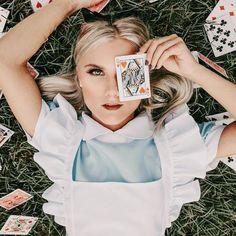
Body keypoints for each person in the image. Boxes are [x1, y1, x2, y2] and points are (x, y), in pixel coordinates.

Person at [0, 0, 236, 235]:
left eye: (127, 72)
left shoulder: (176, 147)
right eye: (96, 71)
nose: (112, 90)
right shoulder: (61, 139)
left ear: (146, 76)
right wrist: (69, 3)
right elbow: (5, 60)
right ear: (79, 78)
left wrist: (194, 72)